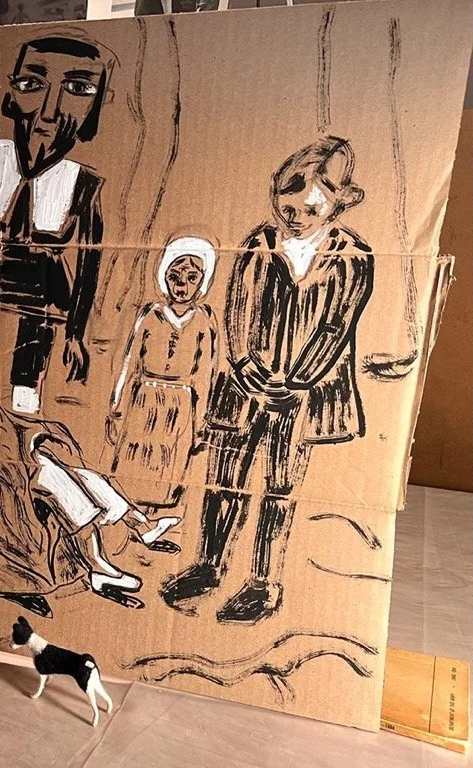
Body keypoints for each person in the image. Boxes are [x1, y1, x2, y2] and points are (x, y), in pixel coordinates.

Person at [161, 136, 374, 623]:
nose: (295, 215)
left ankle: (263, 583)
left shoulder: (353, 256)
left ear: (338, 202)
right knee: (225, 478)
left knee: (279, 486)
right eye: (287, 203)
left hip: (302, 396)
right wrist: (245, 366)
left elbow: (336, 327)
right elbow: (238, 311)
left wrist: (295, 382)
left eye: (311, 206)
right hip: (245, 388)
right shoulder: (259, 244)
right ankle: (208, 565)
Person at [0, 35, 114, 417]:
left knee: (26, 385)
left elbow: (89, 265)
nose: (49, 113)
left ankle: (23, 420)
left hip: (42, 291)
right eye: (31, 84)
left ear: (96, 108)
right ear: (9, 94)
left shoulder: (83, 184)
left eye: (78, 89)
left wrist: (76, 332)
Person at [105, 236, 218, 555]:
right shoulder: (150, 314)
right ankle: (130, 525)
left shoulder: (203, 321)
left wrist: (200, 422)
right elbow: (130, 363)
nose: (182, 285)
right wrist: (117, 407)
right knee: (133, 466)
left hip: (179, 406)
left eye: (191, 278)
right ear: (164, 276)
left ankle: (150, 525)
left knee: (166, 470)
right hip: (145, 400)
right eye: (175, 276)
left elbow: (204, 375)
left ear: (202, 281)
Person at [0, 402, 143, 619]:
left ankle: (104, 557)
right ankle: (97, 564)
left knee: (83, 478)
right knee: (54, 479)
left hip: (15, 446)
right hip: (1, 459)